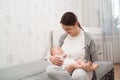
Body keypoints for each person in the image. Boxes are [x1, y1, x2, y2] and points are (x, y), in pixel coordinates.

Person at [46, 12, 99, 80]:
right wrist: (51, 58)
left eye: (68, 29)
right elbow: (55, 51)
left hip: (80, 68)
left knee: (77, 76)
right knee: (50, 69)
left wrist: (92, 68)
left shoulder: (88, 39)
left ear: (76, 24)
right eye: (64, 29)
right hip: (65, 68)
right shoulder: (63, 38)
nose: (66, 31)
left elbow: (96, 61)